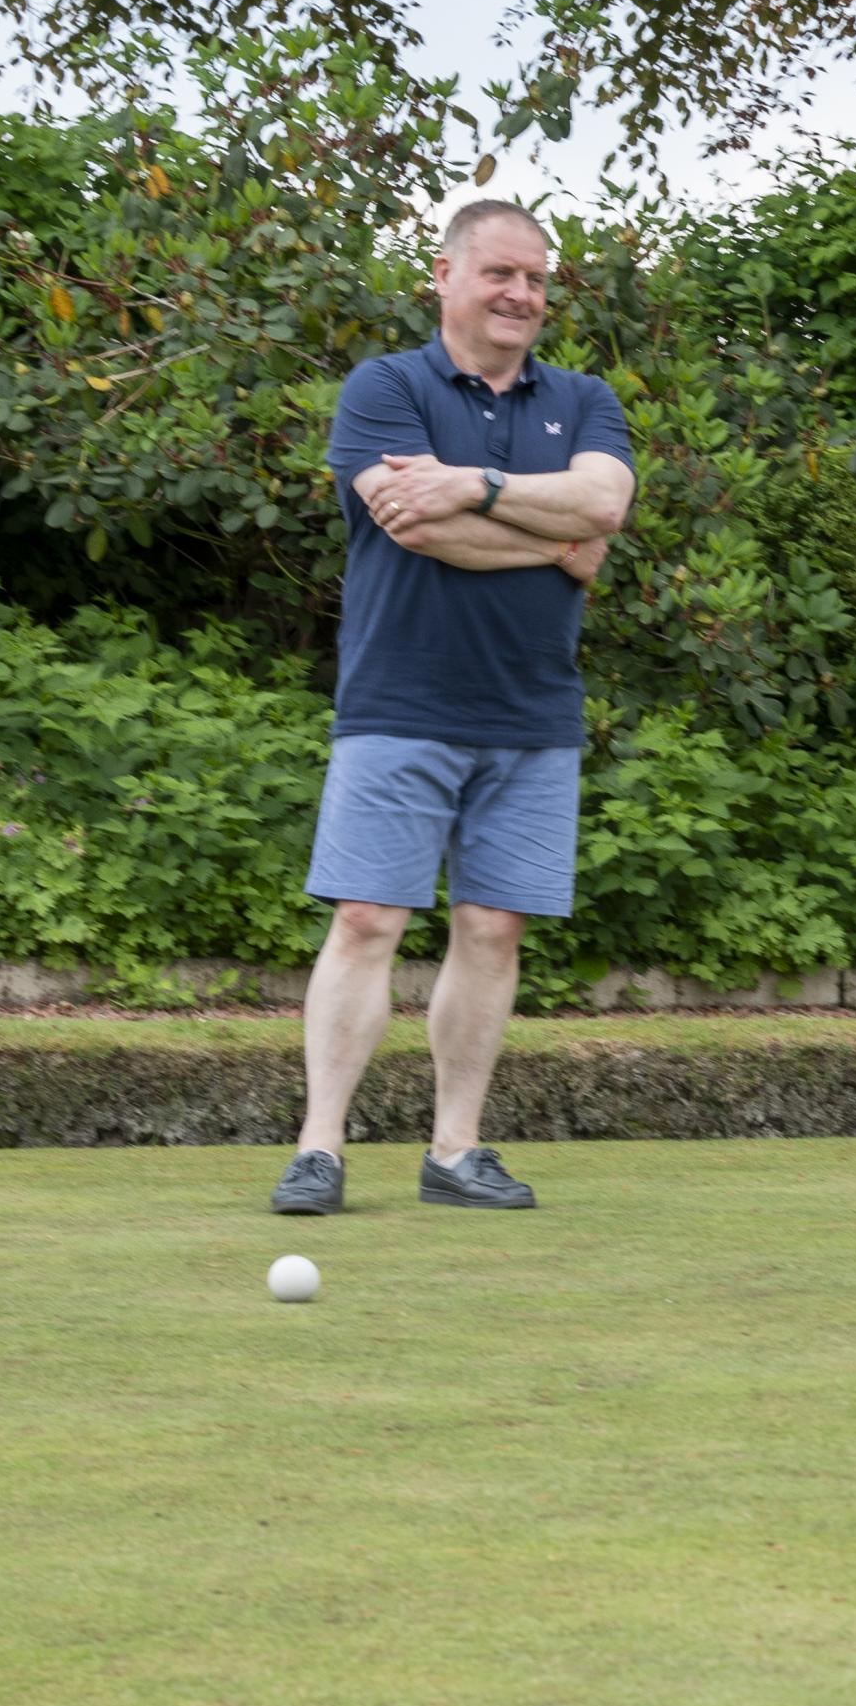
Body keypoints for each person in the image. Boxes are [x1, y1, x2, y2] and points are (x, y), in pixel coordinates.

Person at [269, 200, 635, 1218]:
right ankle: (320, 1150)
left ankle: (456, 1153)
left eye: (538, 278)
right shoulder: (385, 387)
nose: (522, 294)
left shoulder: (585, 398)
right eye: (500, 274)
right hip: (398, 702)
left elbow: (603, 513)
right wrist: (542, 525)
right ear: (445, 274)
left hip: (533, 713)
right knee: (366, 916)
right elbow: (416, 530)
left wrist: (468, 486)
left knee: (493, 928)